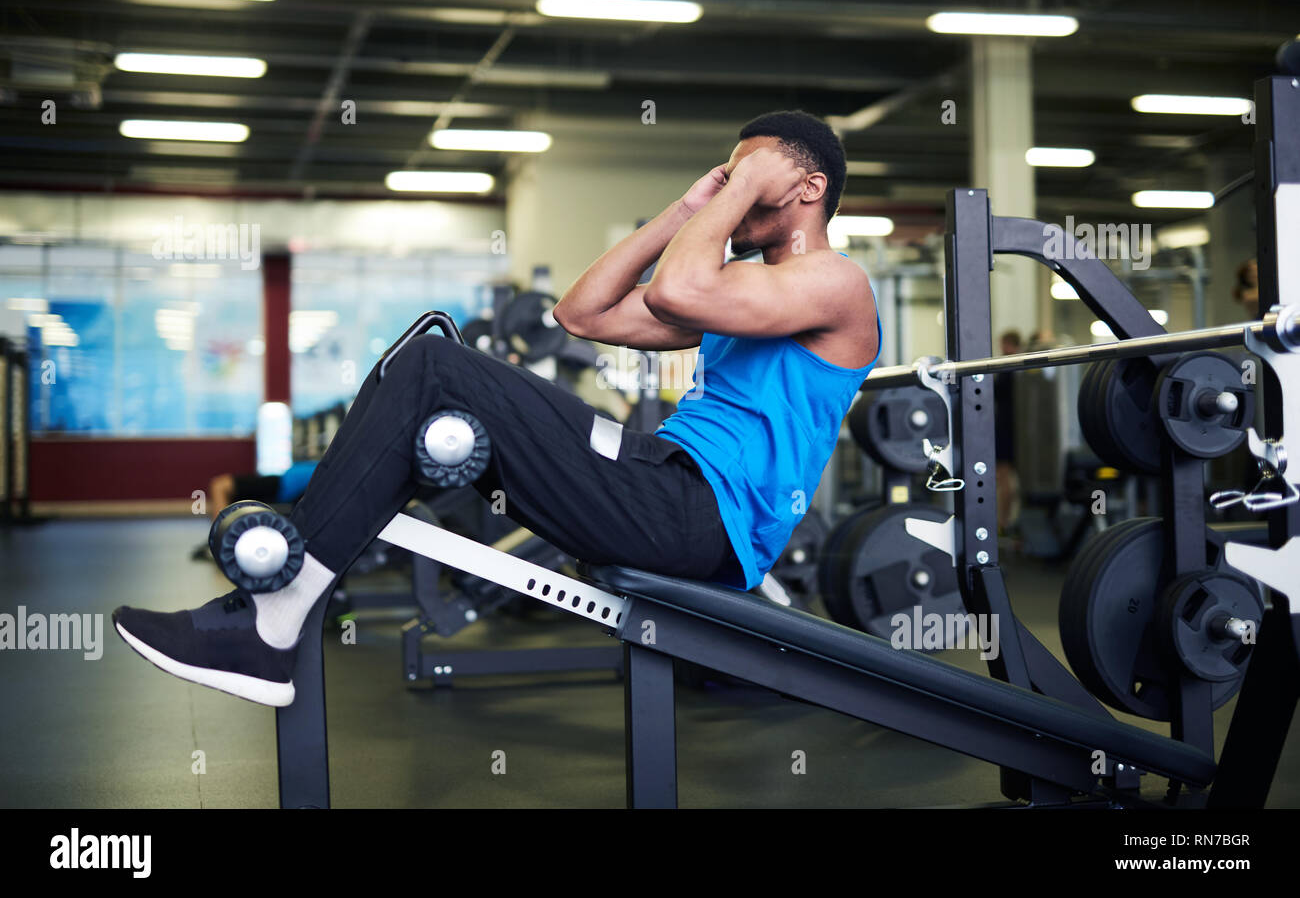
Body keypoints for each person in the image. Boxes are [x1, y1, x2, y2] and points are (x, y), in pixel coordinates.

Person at [113, 110, 883, 707]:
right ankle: (279, 609)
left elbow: (681, 290)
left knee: (437, 365)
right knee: (431, 355)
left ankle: (272, 618)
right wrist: (690, 206)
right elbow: (583, 313)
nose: (730, 184)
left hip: (698, 517)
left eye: (750, 174)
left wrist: (746, 184)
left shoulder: (837, 283)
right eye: (729, 175)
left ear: (807, 189)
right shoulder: (744, 296)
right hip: (656, 473)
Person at [189, 461, 320, 560]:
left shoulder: (329, 474)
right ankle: (219, 540)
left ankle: (220, 541)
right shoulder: (328, 463)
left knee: (219, 485)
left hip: (281, 487)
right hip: (281, 481)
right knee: (219, 486)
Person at [993, 330, 1022, 532]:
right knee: (1003, 478)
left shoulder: (1011, 368)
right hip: (1014, 428)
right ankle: (1006, 521)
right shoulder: (1018, 367)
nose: (1001, 348)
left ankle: (1004, 523)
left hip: (1008, 428)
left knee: (1004, 478)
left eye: (1003, 344)